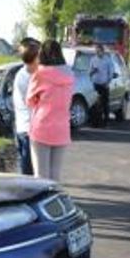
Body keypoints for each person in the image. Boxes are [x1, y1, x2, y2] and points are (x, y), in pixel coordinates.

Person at [27, 39, 75, 181]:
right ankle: (52, 202)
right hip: (62, 128)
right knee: (55, 176)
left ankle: (39, 203)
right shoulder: (70, 75)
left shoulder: (39, 74)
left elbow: (29, 100)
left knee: (40, 175)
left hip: (42, 126)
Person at [12, 38, 40, 175]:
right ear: (33, 58)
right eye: (39, 56)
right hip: (27, 128)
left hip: (29, 127)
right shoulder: (23, 77)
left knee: (31, 168)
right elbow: (34, 102)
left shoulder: (33, 74)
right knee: (27, 169)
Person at [87, 43, 117, 127]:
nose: (97, 53)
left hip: (104, 84)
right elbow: (89, 72)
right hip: (95, 84)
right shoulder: (93, 59)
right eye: (96, 51)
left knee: (104, 103)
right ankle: (94, 121)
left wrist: (107, 83)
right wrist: (93, 71)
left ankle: (106, 121)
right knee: (94, 102)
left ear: (102, 51)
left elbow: (111, 73)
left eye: (98, 51)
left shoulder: (108, 60)